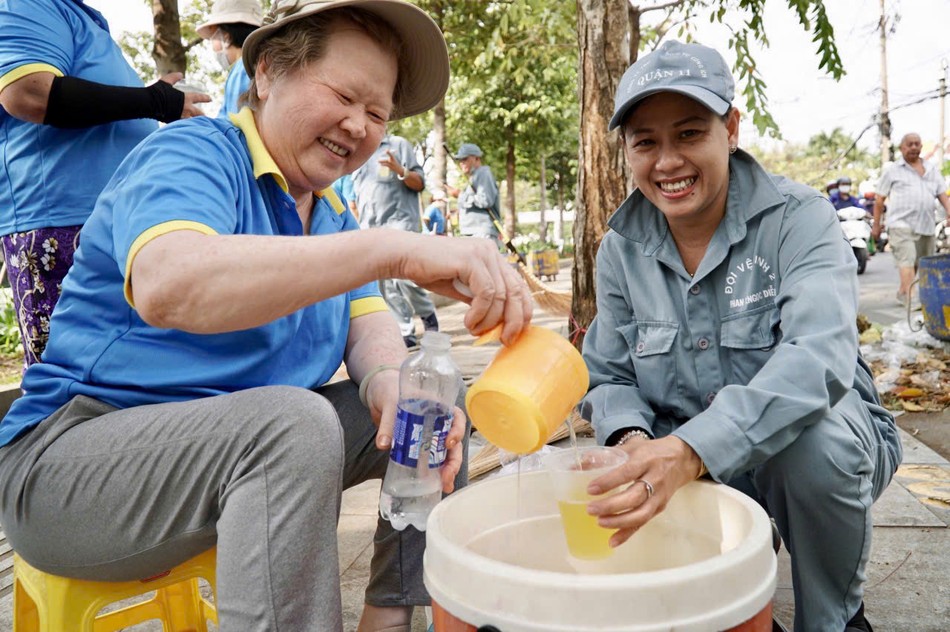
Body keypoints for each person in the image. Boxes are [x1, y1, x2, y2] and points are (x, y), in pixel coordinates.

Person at [0, 3, 532, 632]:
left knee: (432, 410)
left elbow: (369, 328)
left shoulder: (330, 209)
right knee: (292, 422)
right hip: (71, 470)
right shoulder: (193, 153)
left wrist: (392, 381)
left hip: (230, 450)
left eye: (378, 113)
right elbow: (171, 284)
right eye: (343, 94)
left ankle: (389, 617)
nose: (358, 125)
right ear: (270, 71)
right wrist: (396, 249)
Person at [579, 40, 900, 632]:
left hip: (820, 444)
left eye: (689, 133)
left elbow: (818, 360)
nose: (667, 161)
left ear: (730, 128)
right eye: (645, 142)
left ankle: (836, 616)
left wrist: (691, 451)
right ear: (626, 150)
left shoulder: (800, 219)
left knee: (811, 449)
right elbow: (610, 372)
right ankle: (733, 607)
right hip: (689, 449)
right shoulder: (620, 250)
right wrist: (630, 439)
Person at [0, 0, 210, 368]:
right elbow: (28, 93)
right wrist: (154, 100)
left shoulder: (80, 17)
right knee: (76, 391)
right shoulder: (27, 3)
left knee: (130, 384)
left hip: (107, 223)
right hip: (61, 228)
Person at [352, 134, 441, 347]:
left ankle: (427, 315)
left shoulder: (398, 144)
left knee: (405, 276)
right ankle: (406, 331)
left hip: (399, 222)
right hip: (371, 226)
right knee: (384, 283)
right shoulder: (358, 151)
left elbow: (419, 183)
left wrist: (399, 169)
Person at [872, 133, 950, 304]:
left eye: (917, 144)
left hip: (926, 224)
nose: (914, 147)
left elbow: (942, 194)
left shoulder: (931, 168)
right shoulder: (892, 170)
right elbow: (879, 200)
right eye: (910, 144)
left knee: (921, 263)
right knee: (906, 259)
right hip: (900, 224)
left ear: (921, 147)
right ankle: (911, 299)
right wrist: (876, 225)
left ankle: (904, 290)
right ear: (902, 148)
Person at [196, 0, 262, 119]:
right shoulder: (261, 62)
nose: (212, 45)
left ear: (226, 37)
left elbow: (233, 123)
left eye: (212, 37)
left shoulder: (241, 70)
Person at [446, 143, 502, 245]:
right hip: (472, 232)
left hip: (481, 233)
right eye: (460, 160)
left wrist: (459, 195)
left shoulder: (483, 173)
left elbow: (486, 200)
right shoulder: (474, 178)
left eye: (465, 159)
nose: (461, 163)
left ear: (476, 158)